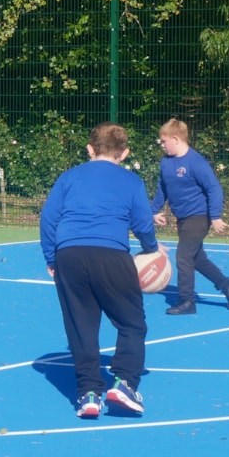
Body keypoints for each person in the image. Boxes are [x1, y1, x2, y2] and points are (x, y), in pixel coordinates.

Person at [40, 121, 163, 419]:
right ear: (124, 152)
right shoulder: (131, 181)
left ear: (90, 149)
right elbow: (143, 224)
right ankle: (124, 383)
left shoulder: (69, 177)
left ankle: (88, 394)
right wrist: (151, 249)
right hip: (111, 255)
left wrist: (52, 258)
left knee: (81, 328)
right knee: (132, 324)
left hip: (70, 254)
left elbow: (48, 219)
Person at [150, 118, 229, 314]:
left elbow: (214, 188)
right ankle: (227, 285)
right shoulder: (166, 162)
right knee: (196, 258)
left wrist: (215, 216)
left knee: (183, 257)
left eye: (164, 142)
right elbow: (162, 188)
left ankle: (187, 301)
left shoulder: (196, 162)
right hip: (182, 218)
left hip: (199, 216)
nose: (162, 145)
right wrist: (154, 210)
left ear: (176, 138)